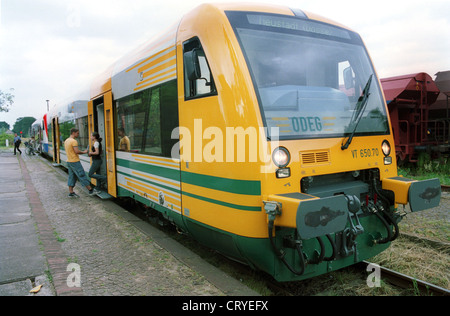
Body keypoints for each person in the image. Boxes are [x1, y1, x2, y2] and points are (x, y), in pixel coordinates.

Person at [64, 128, 96, 198]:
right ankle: (90, 190)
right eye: (77, 133)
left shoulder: (66, 140)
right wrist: (84, 152)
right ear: (73, 133)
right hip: (75, 161)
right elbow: (76, 151)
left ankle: (71, 192)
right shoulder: (74, 141)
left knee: (71, 177)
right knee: (82, 175)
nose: (78, 134)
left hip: (69, 161)